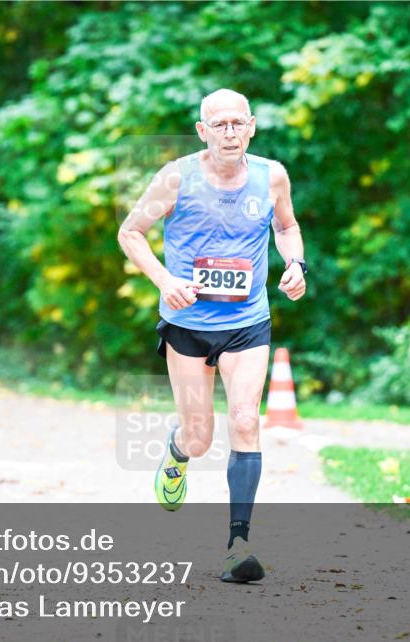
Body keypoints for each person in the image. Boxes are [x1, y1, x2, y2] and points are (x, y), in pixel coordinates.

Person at [117, 89, 307, 583]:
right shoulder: (176, 177)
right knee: (199, 438)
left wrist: (295, 263)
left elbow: (287, 227)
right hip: (188, 324)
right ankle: (178, 450)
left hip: (247, 321)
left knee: (245, 420)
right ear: (202, 131)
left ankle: (238, 544)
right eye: (218, 124)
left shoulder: (272, 176)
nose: (229, 132)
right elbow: (130, 232)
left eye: (237, 123)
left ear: (252, 127)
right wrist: (165, 281)